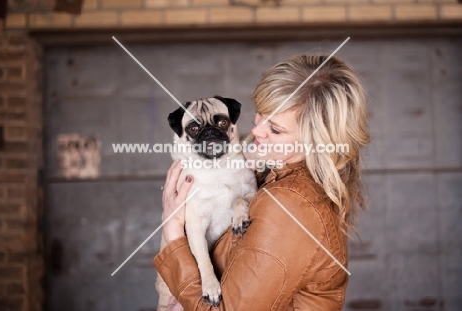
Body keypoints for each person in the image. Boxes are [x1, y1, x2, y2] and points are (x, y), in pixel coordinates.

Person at [154, 54, 370, 310]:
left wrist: (173, 233)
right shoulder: (273, 175)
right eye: (260, 116)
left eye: (276, 129)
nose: (256, 131)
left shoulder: (290, 205)